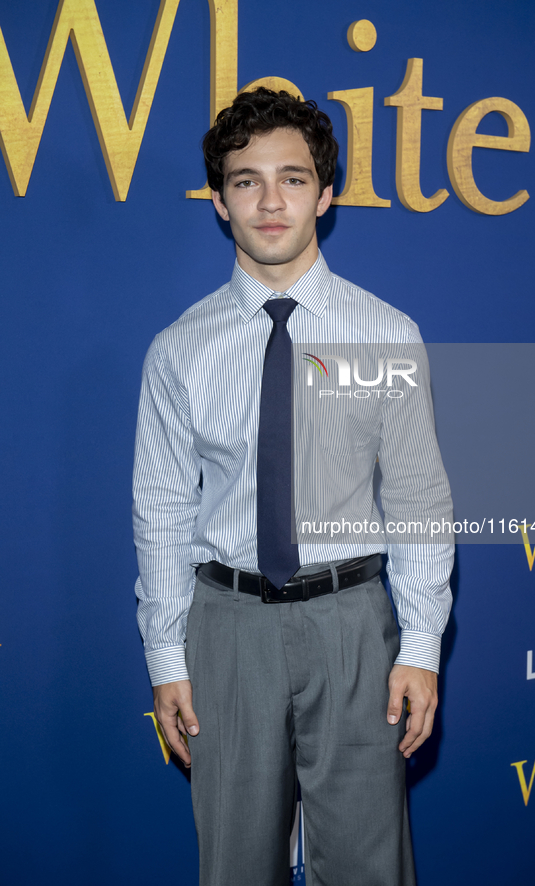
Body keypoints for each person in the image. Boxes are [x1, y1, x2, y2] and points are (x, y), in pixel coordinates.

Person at [133, 87, 454, 886]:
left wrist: (419, 648)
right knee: (236, 866)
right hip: (226, 629)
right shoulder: (179, 350)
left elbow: (417, 499)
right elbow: (163, 511)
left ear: (326, 194)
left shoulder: (385, 332)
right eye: (246, 181)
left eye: (293, 179)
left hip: (352, 627)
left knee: (367, 868)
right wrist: (166, 657)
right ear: (218, 200)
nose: (270, 201)